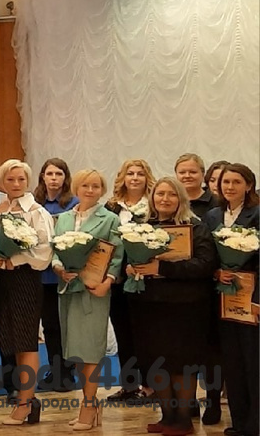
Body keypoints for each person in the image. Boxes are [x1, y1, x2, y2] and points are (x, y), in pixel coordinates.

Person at [128, 178, 217, 436]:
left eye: (171, 195)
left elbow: (205, 264)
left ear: (181, 199)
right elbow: (127, 257)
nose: (165, 199)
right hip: (148, 307)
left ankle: (183, 420)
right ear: (152, 197)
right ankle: (167, 417)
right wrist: (131, 267)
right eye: (160, 194)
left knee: (181, 364)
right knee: (156, 363)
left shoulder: (196, 227)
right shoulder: (140, 226)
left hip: (185, 308)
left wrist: (162, 268)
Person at [0, 159, 53, 425]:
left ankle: (26, 402)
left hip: (25, 278)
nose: (16, 184)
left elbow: (45, 250)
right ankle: (25, 400)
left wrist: (17, 258)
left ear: (28, 181)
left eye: (21, 179)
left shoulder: (36, 211)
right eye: (10, 179)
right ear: (1, 182)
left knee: (26, 341)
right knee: (9, 341)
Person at [50, 169, 122, 431]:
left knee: (90, 349)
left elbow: (117, 255)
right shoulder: (64, 218)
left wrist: (107, 283)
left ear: (102, 190)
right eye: (85, 186)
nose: (90, 190)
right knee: (77, 351)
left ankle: (89, 405)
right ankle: (90, 402)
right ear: (76, 188)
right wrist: (59, 268)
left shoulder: (110, 219)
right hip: (68, 288)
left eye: (95, 186)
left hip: (94, 290)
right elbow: (55, 249)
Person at [206, 163, 259, 436]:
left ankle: (255, 423)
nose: (229, 187)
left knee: (253, 360)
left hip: (251, 299)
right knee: (232, 361)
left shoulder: (257, 213)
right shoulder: (213, 215)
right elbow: (206, 254)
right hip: (222, 299)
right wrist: (216, 272)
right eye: (225, 182)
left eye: (236, 182)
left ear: (248, 185)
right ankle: (239, 423)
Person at [104, 159, 155, 405]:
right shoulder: (112, 207)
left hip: (145, 279)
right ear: (122, 178)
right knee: (123, 331)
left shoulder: (153, 206)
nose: (135, 178)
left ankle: (150, 386)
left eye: (140, 174)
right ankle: (129, 384)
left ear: (147, 178)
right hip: (117, 279)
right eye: (130, 173)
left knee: (144, 333)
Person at [33, 158, 79, 393]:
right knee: (50, 325)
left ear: (65, 177)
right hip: (42, 275)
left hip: (65, 274)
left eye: (58, 174)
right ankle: (55, 369)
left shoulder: (74, 203)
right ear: (42, 176)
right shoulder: (35, 202)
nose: (53, 178)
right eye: (49, 174)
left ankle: (68, 372)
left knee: (67, 326)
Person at [176, 154, 218, 218]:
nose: (187, 176)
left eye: (193, 172)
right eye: (182, 172)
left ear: (203, 174)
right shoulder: (171, 201)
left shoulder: (216, 202)